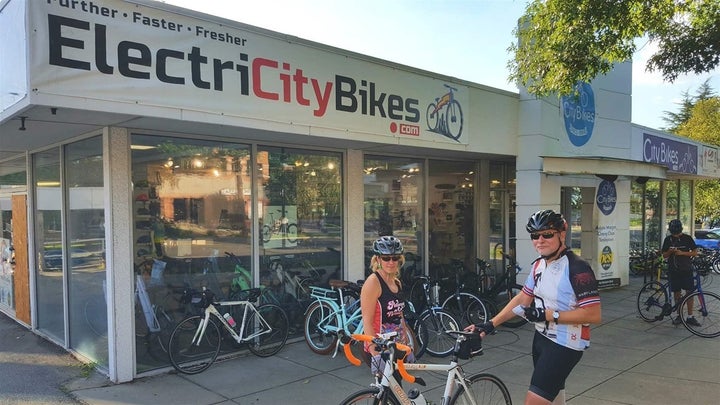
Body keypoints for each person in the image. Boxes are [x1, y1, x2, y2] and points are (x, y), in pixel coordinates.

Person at [465, 209, 601, 405]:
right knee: (554, 400)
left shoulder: (577, 268)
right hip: (542, 340)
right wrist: (490, 324)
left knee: (534, 401)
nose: (540, 240)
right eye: (535, 235)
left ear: (562, 234)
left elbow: (593, 314)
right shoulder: (539, 265)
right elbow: (523, 299)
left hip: (565, 344)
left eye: (547, 234)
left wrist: (547, 314)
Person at [360, 235, 414, 376]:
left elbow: (400, 315)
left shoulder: (396, 282)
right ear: (378, 259)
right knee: (386, 392)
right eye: (386, 258)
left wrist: (408, 345)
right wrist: (375, 353)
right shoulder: (373, 283)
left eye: (395, 258)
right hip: (380, 347)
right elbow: (367, 320)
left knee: (397, 391)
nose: (391, 262)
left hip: (397, 345)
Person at [661, 219, 699, 326]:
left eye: (677, 233)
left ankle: (690, 316)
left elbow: (695, 252)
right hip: (673, 270)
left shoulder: (687, 238)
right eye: (674, 233)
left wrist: (682, 253)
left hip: (686, 269)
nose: (676, 235)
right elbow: (664, 255)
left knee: (689, 293)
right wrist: (670, 251)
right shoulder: (668, 239)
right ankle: (679, 315)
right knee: (677, 293)